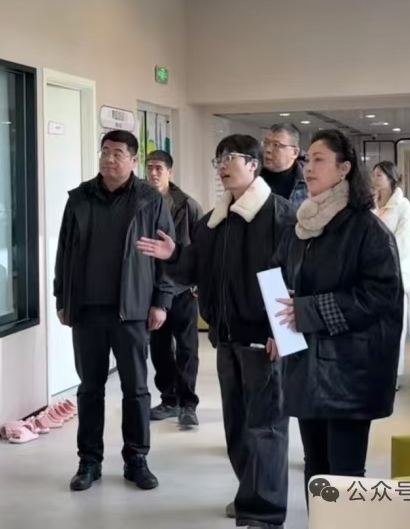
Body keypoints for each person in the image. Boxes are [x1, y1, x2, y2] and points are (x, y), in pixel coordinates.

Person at [137, 135, 296, 529]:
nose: (222, 165)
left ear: (254, 165)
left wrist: (283, 330)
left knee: (266, 428)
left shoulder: (279, 215)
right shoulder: (215, 219)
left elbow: (294, 276)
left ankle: (264, 513)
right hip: (226, 337)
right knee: (237, 428)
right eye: (219, 158)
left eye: (231, 158)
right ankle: (250, 495)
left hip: (265, 339)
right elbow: (196, 267)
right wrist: (173, 255)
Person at [271, 129, 403, 509]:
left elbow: (381, 294)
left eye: (319, 159)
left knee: (344, 473)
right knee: (315, 468)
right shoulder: (302, 226)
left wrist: (310, 311)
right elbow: (281, 276)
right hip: (306, 364)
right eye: (307, 160)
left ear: (344, 169)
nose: (308, 167)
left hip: (350, 371)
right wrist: (279, 323)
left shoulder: (367, 229)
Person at [53, 130, 177, 493]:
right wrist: (61, 298)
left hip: (133, 310)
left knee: (135, 389)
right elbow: (64, 251)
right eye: (105, 152)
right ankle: (89, 461)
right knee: (90, 389)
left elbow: (166, 254)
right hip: (87, 310)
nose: (109, 159)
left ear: (133, 161)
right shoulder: (79, 198)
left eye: (118, 153)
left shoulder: (150, 199)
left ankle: (136, 458)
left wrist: (161, 301)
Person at [144, 150, 205, 428]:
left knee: (187, 348)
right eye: (149, 167)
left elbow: (200, 247)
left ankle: (188, 404)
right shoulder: (142, 201)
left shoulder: (187, 205)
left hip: (182, 289)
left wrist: (198, 281)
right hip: (153, 289)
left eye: (159, 168)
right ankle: (169, 400)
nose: (153, 173)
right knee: (159, 348)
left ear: (170, 171)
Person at [372, 161, 410, 384]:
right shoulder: (372, 204)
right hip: (372, 273)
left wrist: (377, 255)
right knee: (375, 326)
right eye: (373, 174)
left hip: (395, 273)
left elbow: (404, 243)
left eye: (379, 175)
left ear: (391, 179)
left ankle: (393, 375)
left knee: (394, 326)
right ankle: (375, 371)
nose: (374, 179)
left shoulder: (403, 206)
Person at [260, 123, 309, 208]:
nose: (268, 149)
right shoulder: (252, 175)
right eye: (266, 143)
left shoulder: (307, 181)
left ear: (295, 152)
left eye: (276, 145)